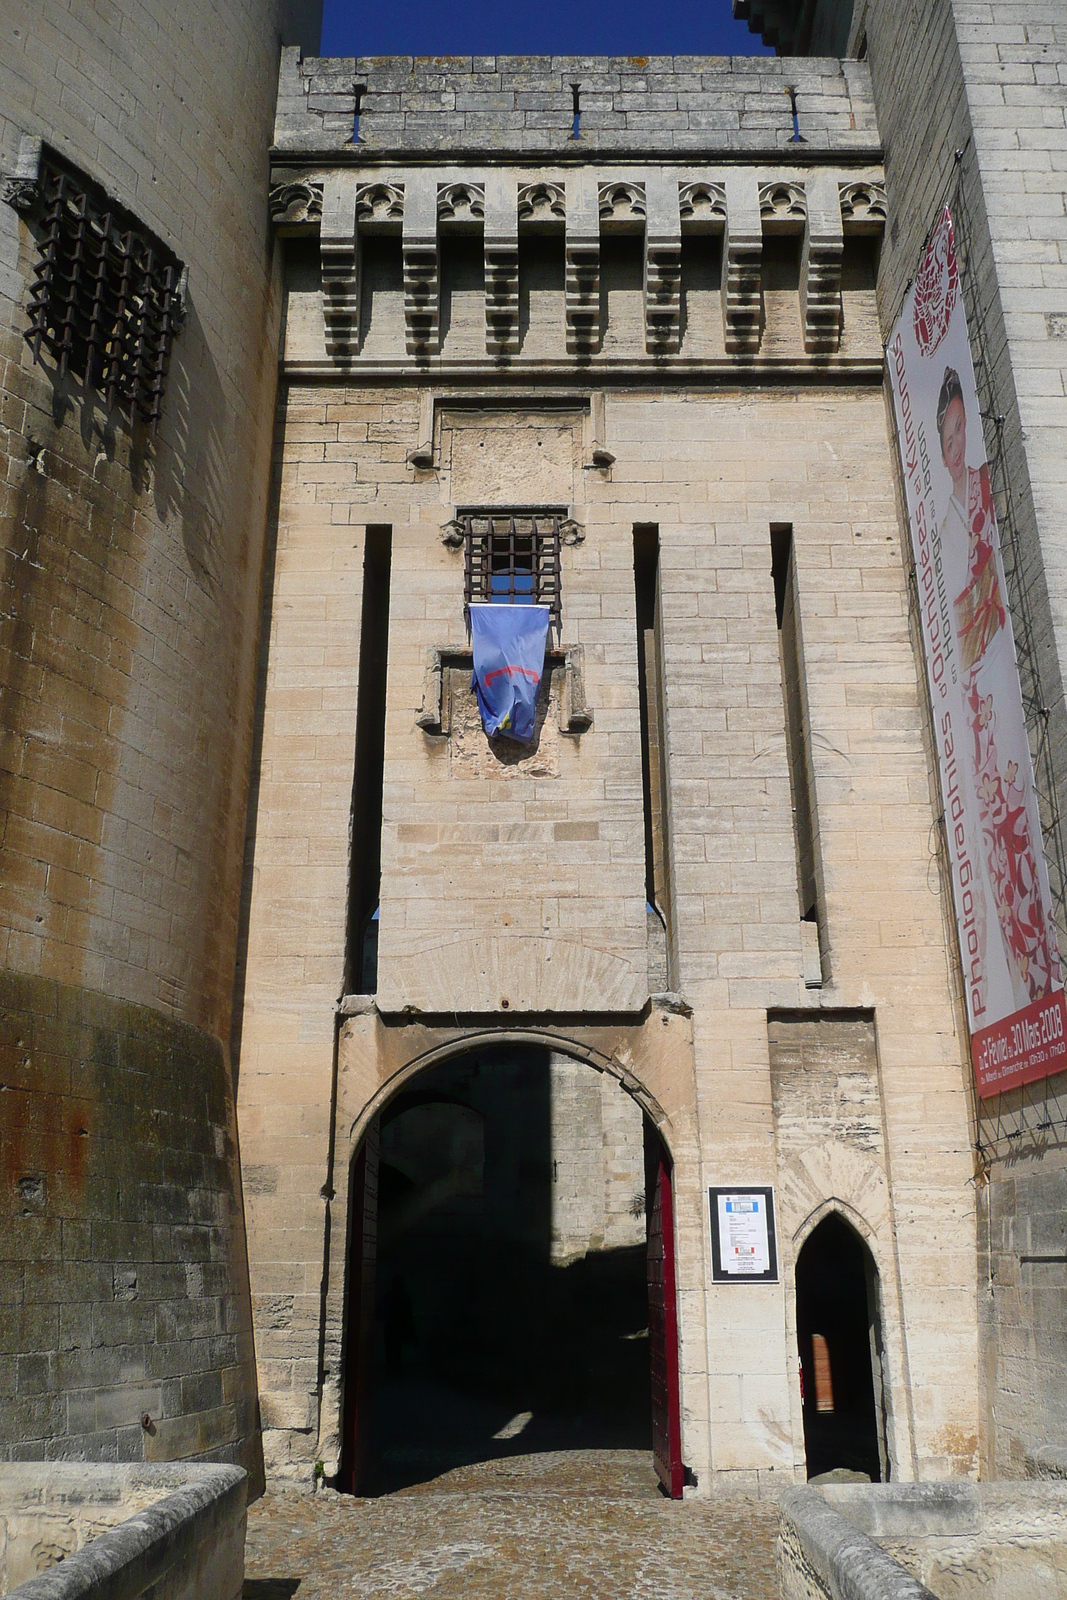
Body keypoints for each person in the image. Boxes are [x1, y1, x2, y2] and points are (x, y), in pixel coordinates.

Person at [937, 367, 1060, 1007]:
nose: (958, 443)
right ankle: (1030, 992)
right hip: (973, 708)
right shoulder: (941, 532)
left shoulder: (985, 490)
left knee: (1023, 836)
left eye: (963, 428)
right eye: (949, 434)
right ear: (938, 444)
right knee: (997, 853)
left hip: (1000, 702)